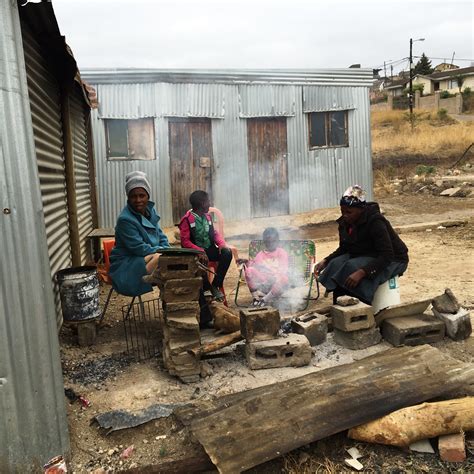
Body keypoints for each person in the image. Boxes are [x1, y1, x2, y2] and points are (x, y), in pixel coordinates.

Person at [314, 185, 408, 305]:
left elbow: (387, 255)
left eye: (349, 212)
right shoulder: (345, 222)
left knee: (352, 267)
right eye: (342, 211)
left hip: (394, 259)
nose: (345, 215)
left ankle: (360, 309)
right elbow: (344, 248)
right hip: (367, 253)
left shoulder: (375, 222)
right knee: (335, 263)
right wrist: (326, 260)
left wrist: (362, 272)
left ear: (361, 209)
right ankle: (339, 308)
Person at [109, 171, 170, 296]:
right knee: (161, 258)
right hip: (126, 265)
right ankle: (158, 279)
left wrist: (167, 249)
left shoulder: (150, 211)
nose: (138, 200)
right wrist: (165, 252)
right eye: (133, 196)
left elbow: (161, 235)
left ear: (148, 196)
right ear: (128, 197)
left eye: (142, 195)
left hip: (145, 257)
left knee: (168, 260)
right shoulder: (125, 220)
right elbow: (139, 248)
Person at [179, 190, 232, 301]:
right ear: (202, 203)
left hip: (209, 249)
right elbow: (185, 241)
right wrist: (199, 250)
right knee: (200, 260)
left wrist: (221, 243)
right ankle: (206, 288)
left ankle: (215, 285)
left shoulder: (207, 217)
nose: (210, 203)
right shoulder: (187, 220)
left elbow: (214, 233)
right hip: (196, 253)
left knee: (227, 253)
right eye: (208, 201)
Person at [239, 227, 289, 307]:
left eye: (273, 241)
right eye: (268, 242)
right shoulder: (260, 254)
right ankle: (256, 298)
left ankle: (265, 300)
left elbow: (284, 269)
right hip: (264, 283)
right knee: (249, 270)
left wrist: (275, 276)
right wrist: (247, 262)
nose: (271, 244)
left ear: (278, 241)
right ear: (264, 242)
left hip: (278, 283)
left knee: (284, 277)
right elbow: (255, 267)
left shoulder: (281, 253)